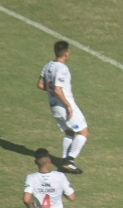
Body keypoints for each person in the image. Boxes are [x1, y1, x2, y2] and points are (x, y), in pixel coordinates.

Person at [38, 41, 89, 174]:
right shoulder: (62, 69)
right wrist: (68, 105)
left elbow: (40, 85)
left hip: (54, 107)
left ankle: (64, 162)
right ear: (66, 53)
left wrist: (52, 93)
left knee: (69, 133)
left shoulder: (48, 66)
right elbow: (57, 88)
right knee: (84, 132)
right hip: (64, 106)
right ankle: (69, 161)